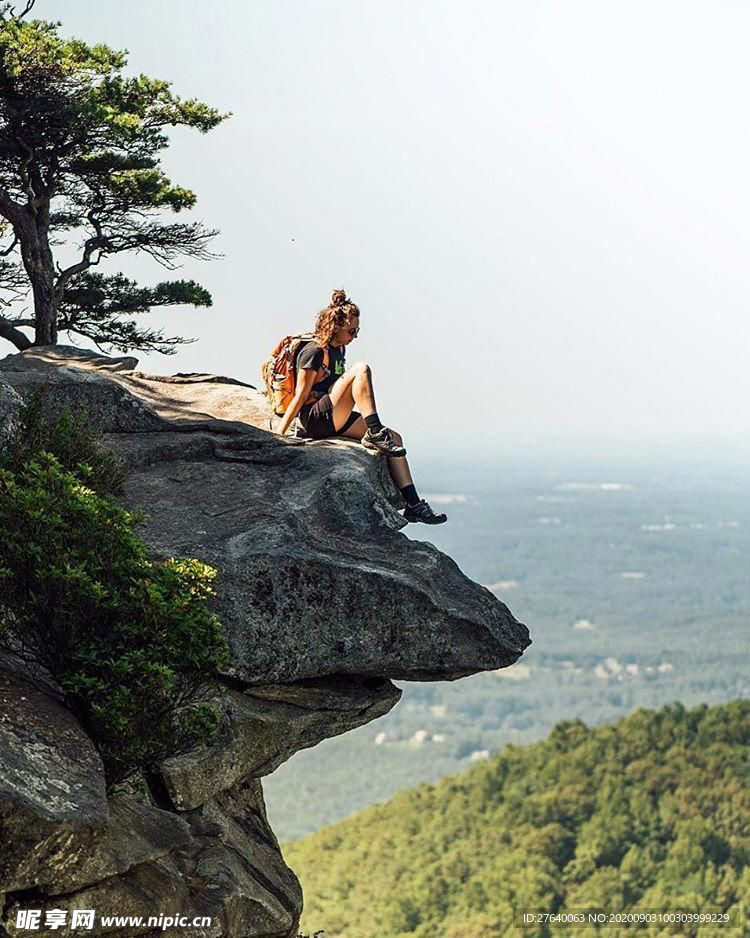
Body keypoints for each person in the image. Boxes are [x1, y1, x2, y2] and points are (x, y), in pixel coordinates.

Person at [276, 289, 447, 524]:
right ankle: (374, 431)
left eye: (357, 331)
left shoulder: (339, 350)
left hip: (334, 415)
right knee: (361, 369)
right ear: (335, 326)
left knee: (395, 439)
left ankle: (414, 504)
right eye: (351, 331)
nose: (354, 336)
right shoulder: (314, 351)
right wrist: (278, 437)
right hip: (315, 419)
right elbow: (299, 396)